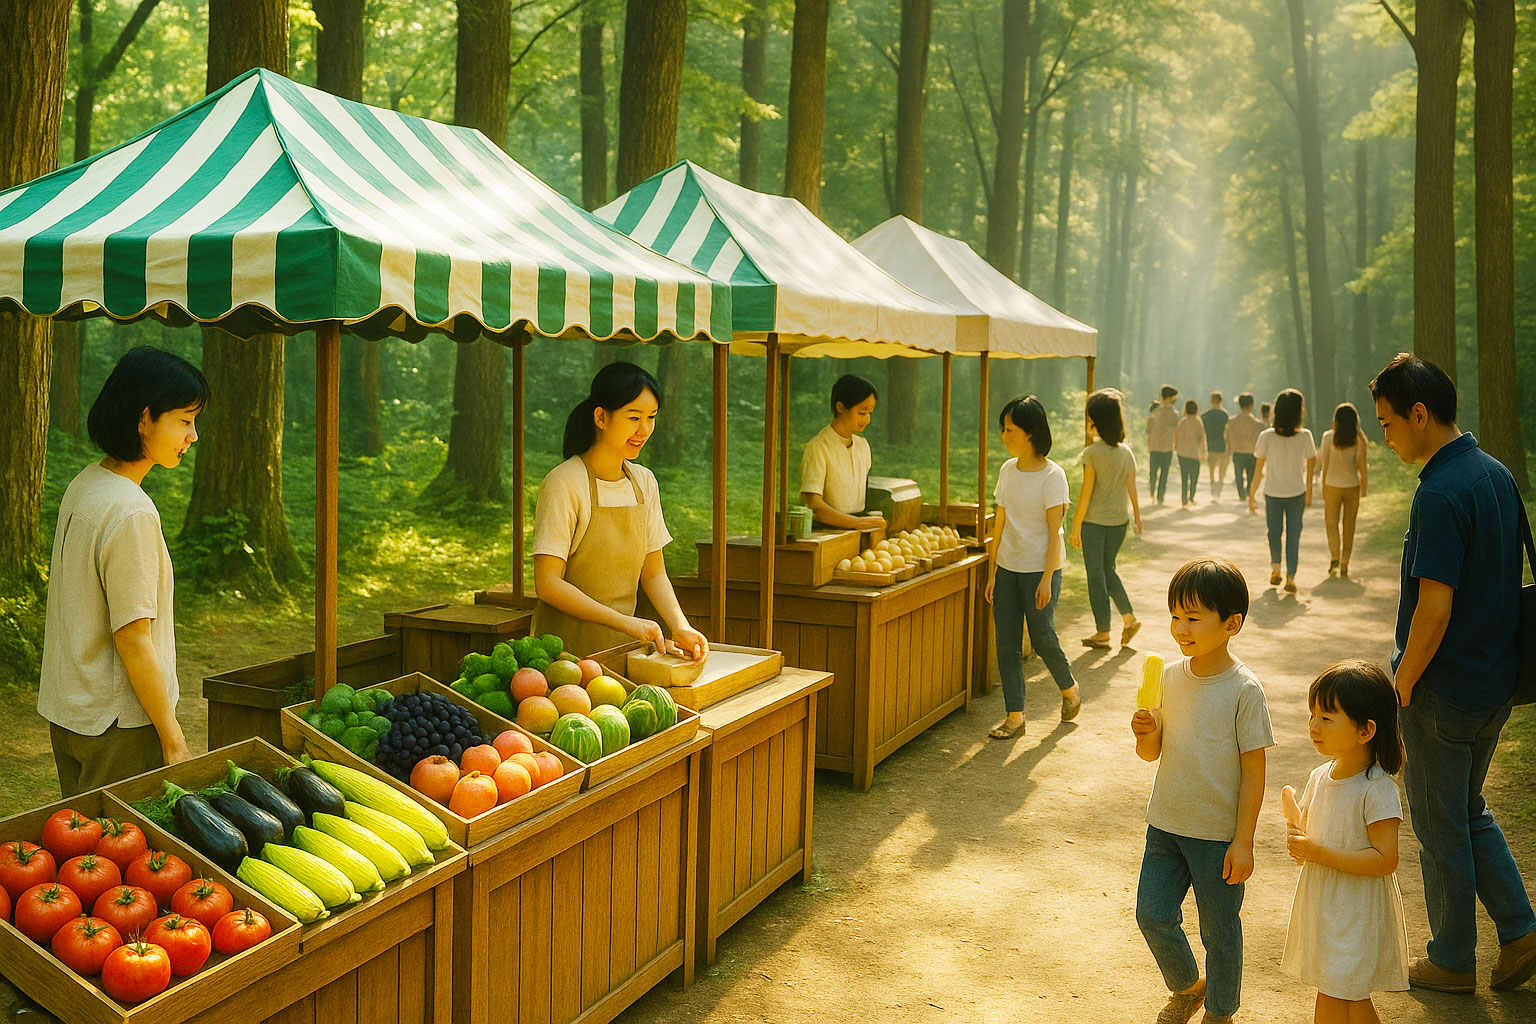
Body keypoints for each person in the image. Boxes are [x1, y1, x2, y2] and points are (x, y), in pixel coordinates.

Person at [1369, 352, 1536, 993]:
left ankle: (1451, 959)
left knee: (1441, 827)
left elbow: (1434, 609)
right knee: (1469, 813)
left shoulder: (1439, 492)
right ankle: (1521, 932)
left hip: (1443, 691)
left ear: (1419, 414)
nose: (1384, 437)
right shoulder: (1495, 472)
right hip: (1497, 684)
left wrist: (1402, 682)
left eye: (1387, 424)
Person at [38, 346, 207, 796]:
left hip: (71, 711)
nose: (193, 436)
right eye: (185, 420)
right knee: (114, 860)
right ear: (144, 418)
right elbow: (132, 635)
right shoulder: (131, 511)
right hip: (118, 726)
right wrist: (172, 739)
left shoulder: (86, 483)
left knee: (80, 853)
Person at [1132, 558, 1273, 1024]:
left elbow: (1255, 771)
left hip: (1217, 837)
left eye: (1193, 618)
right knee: (1152, 915)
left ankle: (1221, 1012)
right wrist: (1144, 731)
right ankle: (1190, 986)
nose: (1181, 628)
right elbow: (1151, 755)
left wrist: (1244, 841)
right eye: (1175, 616)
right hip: (1166, 824)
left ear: (1232, 623)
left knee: (1220, 931)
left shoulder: (1244, 691)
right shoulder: (1169, 677)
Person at [532, 361, 708, 662]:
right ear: (601, 417)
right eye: (633, 417)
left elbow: (654, 573)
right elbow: (548, 584)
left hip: (623, 650)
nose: (644, 429)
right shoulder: (564, 482)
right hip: (563, 658)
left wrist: (681, 626)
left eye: (651, 417)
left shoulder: (644, 481)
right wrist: (626, 621)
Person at [1281, 660, 1409, 1024]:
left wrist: (1316, 851)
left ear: (1365, 730)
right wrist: (1298, 838)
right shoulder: (1320, 776)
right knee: (1336, 990)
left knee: (1343, 992)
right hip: (1325, 904)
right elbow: (1313, 837)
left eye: (1326, 718)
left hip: (1355, 909)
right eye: (1312, 715)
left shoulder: (1377, 789)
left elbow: (1385, 859)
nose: (1313, 726)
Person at [984, 396, 1080, 739]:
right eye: (1003, 428)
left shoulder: (1053, 476)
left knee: (1042, 637)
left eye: (1009, 429)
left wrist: (1046, 579)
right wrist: (995, 571)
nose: (1004, 434)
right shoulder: (1007, 471)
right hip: (1008, 568)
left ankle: (1069, 688)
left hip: (1042, 570)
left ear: (1029, 433)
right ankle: (1015, 716)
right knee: (1006, 643)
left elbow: (1056, 531)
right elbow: (1000, 523)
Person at [1069, 389, 1143, 650]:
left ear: (1095, 421)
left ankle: (1103, 632)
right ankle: (1129, 618)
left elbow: (1086, 493)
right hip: (1119, 523)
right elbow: (1131, 487)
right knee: (1107, 570)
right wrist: (1137, 515)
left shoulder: (1092, 453)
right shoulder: (1126, 452)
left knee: (1096, 576)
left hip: (1094, 524)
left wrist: (1076, 524)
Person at [1248, 389, 1316, 593]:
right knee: (1294, 535)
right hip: (1297, 492)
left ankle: (1275, 568)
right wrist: (1310, 491)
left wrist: (1251, 495)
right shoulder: (1305, 436)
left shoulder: (1266, 436)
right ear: (1299, 412)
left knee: (1274, 532)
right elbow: (1311, 464)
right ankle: (1291, 578)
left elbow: (1258, 470)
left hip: (1273, 492)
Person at [800, 374, 885, 531]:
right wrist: (856, 523)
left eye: (870, 413)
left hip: (859, 529)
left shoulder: (863, 446)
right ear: (840, 407)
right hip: (825, 532)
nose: (867, 420)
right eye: (862, 412)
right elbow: (812, 504)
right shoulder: (819, 447)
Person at [1318, 403, 1369, 578]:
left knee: (1331, 524)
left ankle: (1335, 557)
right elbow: (1362, 468)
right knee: (1349, 526)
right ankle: (1345, 562)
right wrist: (1364, 489)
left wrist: (1323, 487)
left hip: (1332, 485)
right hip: (1352, 487)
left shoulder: (1328, 437)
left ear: (1336, 420)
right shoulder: (1359, 439)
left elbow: (1324, 465)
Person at [1225, 393, 1263, 502]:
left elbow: (1227, 436)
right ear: (1251, 405)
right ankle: (1248, 492)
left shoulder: (1232, 421)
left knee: (1238, 474)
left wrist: (1229, 447)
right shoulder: (1257, 424)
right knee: (1251, 474)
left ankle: (1241, 494)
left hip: (1237, 451)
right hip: (1252, 452)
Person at [1146, 386, 1180, 504]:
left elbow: (1148, 430)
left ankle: (1152, 491)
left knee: (1153, 471)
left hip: (1154, 446)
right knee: (1164, 473)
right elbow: (1176, 429)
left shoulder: (1155, 412)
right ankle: (1160, 495)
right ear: (1169, 397)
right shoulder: (1174, 414)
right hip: (1167, 447)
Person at [1175, 399, 1207, 507]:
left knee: (1184, 477)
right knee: (1194, 477)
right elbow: (1202, 438)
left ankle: (1184, 498)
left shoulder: (1182, 422)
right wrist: (1203, 453)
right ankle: (1191, 497)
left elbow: (1177, 436)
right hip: (1194, 454)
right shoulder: (1198, 421)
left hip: (1182, 453)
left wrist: (1177, 448)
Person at [1202, 392, 1231, 499]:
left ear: (1211, 401)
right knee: (1221, 468)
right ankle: (1220, 486)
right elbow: (1228, 431)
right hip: (1222, 444)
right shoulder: (1225, 415)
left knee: (1211, 468)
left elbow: (1202, 430)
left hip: (1210, 444)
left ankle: (1212, 485)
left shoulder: (1206, 415)